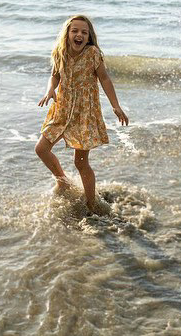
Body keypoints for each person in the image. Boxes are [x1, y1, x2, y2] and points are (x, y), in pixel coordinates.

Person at [35, 15, 128, 214]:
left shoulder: (93, 53)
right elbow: (55, 75)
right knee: (41, 149)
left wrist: (115, 105)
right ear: (67, 34)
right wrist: (50, 90)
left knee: (80, 162)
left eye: (84, 32)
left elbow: (104, 78)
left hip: (85, 112)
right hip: (62, 109)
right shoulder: (60, 52)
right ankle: (63, 181)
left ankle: (91, 204)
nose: (79, 35)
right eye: (75, 31)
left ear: (89, 36)